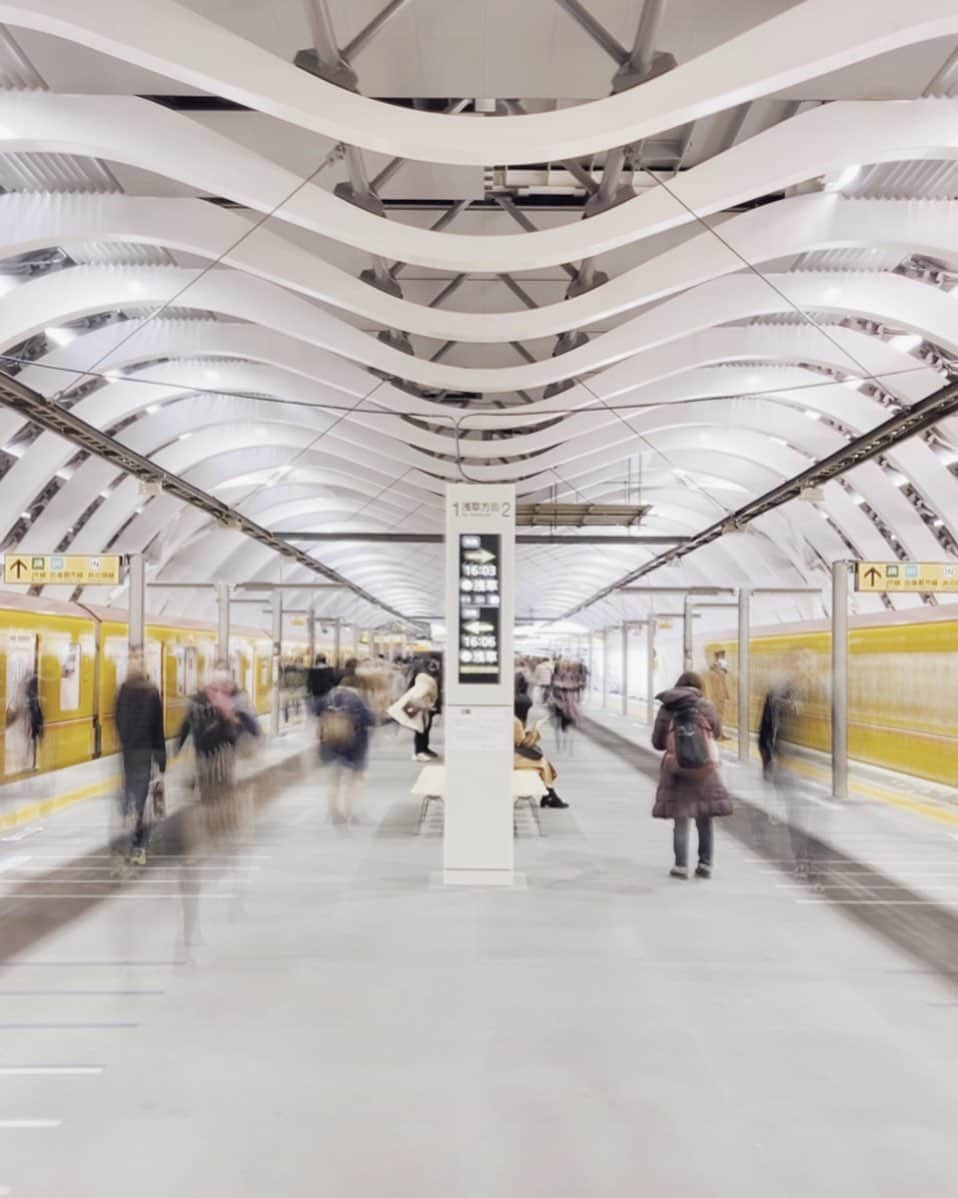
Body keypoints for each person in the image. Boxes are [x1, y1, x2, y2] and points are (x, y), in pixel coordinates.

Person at [651, 671, 732, 879]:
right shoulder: (706, 706)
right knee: (704, 819)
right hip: (704, 770)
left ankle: (680, 866)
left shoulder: (667, 707)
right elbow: (715, 733)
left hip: (676, 770)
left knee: (681, 819)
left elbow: (658, 742)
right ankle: (705, 864)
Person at [114, 654, 167, 866]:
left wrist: (126, 740)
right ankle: (139, 846)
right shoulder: (152, 691)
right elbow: (157, 728)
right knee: (143, 800)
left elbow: (117, 720)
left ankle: (132, 836)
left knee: (132, 796)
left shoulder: (122, 691)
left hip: (129, 753)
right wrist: (161, 760)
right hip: (145, 753)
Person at [318, 668, 374, 825]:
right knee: (354, 781)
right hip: (354, 745)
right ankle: (351, 813)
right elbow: (368, 719)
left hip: (330, 743)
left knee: (333, 780)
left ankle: (333, 812)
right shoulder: (356, 699)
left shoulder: (327, 696)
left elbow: (317, 715)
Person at [387, 657, 440, 762]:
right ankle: (419, 752)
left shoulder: (421, 678)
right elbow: (417, 697)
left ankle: (422, 750)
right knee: (420, 729)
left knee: (423, 729)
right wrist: (427, 706)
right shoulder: (426, 682)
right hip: (421, 708)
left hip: (423, 707)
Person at [514, 717, 568, 808]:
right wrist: (536, 728)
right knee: (542, 764)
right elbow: (525, 744)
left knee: (543, 762)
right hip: (512, 759)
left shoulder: (511, 720)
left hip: (510, 756)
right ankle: (549, 795)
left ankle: (549, 795)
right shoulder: (514, 722)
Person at [5, 671, 43, 775]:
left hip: (14, 747)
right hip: (23, 747)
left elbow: (10, 717)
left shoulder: (19, 700)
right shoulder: (34, 706)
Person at [702, 650, 731, 739]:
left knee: (719, 716)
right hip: (717, 698)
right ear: (719, 657)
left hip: (718, 697)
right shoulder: (716, 671)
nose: (724, 658)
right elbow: (718, 684)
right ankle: (718, 735)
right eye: (723, 656)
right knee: (718, 716)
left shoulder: (718, 669)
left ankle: (719, 734)